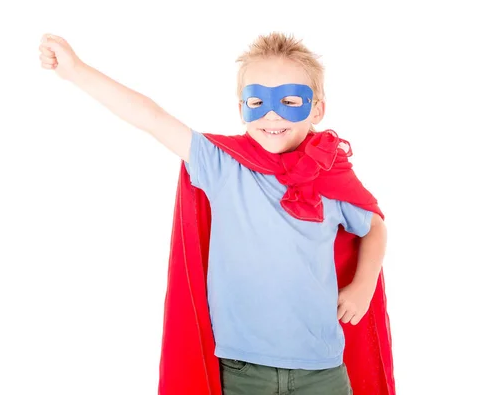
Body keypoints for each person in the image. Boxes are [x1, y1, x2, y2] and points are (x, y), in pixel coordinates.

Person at [38, 32, 395, 395]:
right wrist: (76, 71)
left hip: (321, 369)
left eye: (288, 100)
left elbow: (374, 226)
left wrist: (363, 285)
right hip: (242, 371)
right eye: (258, 101)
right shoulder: (222, 164)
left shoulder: (330, 174)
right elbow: (151, 117)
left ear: (316, 109)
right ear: (242, 108)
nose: (272, 114)